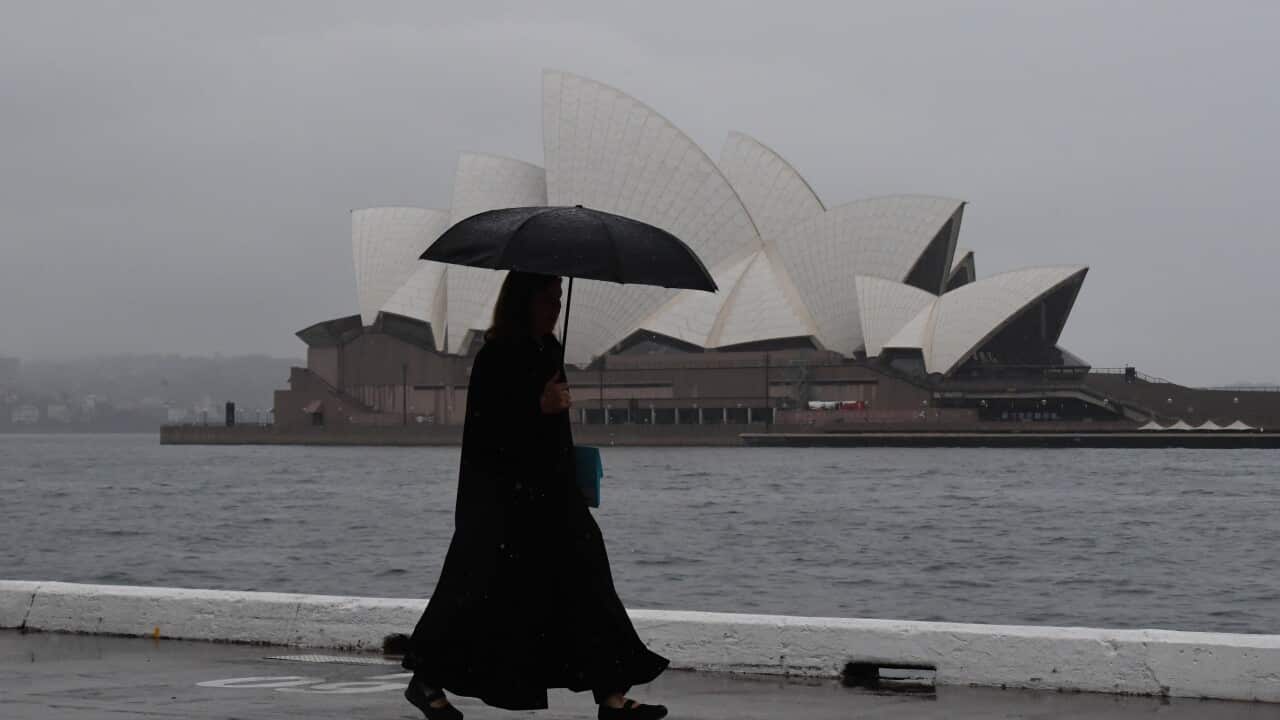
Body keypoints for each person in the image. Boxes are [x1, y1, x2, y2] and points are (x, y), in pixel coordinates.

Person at [402, 271, 670, 720]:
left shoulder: (549, 352)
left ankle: (611, 695)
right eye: (548, 300)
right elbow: (488, 431)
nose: (556, 308)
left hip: (553, 499)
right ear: (523, 302)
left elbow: (550, 433)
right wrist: (537, 406)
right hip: (504, 504)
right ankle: (426, 678)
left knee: (588, 585)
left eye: (560, 299)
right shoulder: (497, 356)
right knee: (475, 593)